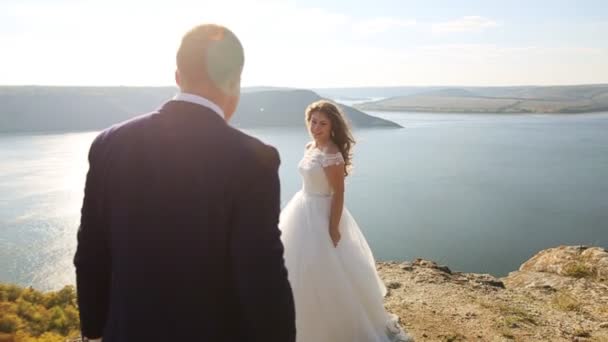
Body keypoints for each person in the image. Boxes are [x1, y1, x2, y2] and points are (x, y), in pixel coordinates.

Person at [74, 24, 295, 342]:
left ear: (178, 76)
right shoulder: (253, 160)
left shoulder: (108, 143)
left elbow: (91, 250)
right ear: (234, 81)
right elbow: (261, 274)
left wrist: (94, 330)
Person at [279, 100, 413, 342]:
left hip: (321, 213)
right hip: (302, 207)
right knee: (297, 267)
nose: (316, 127)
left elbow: (338, 193)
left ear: (332, 127)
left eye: (322, 123)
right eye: (313, 121)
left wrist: (332, 227)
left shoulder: (332, 155)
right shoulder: (312, 146)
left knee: (326, 270)